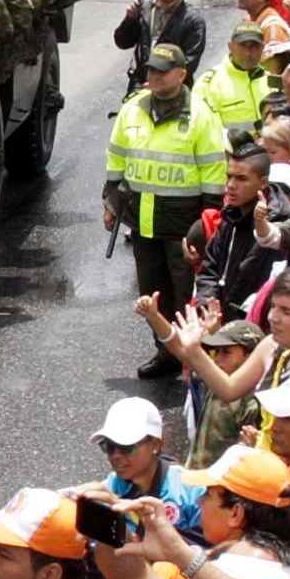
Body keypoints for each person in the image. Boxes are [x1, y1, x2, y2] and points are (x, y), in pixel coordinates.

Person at [109, 48, 230, 373]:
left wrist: (208, 223)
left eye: (163, 71)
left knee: (184, 296)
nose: (155, 77)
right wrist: (110, 198)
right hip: (143, 221)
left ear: (181, 74)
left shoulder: (200, 115)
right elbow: (117, 156)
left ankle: (193, 359)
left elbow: (213, 174)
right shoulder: (133, 108)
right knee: (152, 294)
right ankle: (166, 355)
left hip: (183, 225)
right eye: (151, 71)